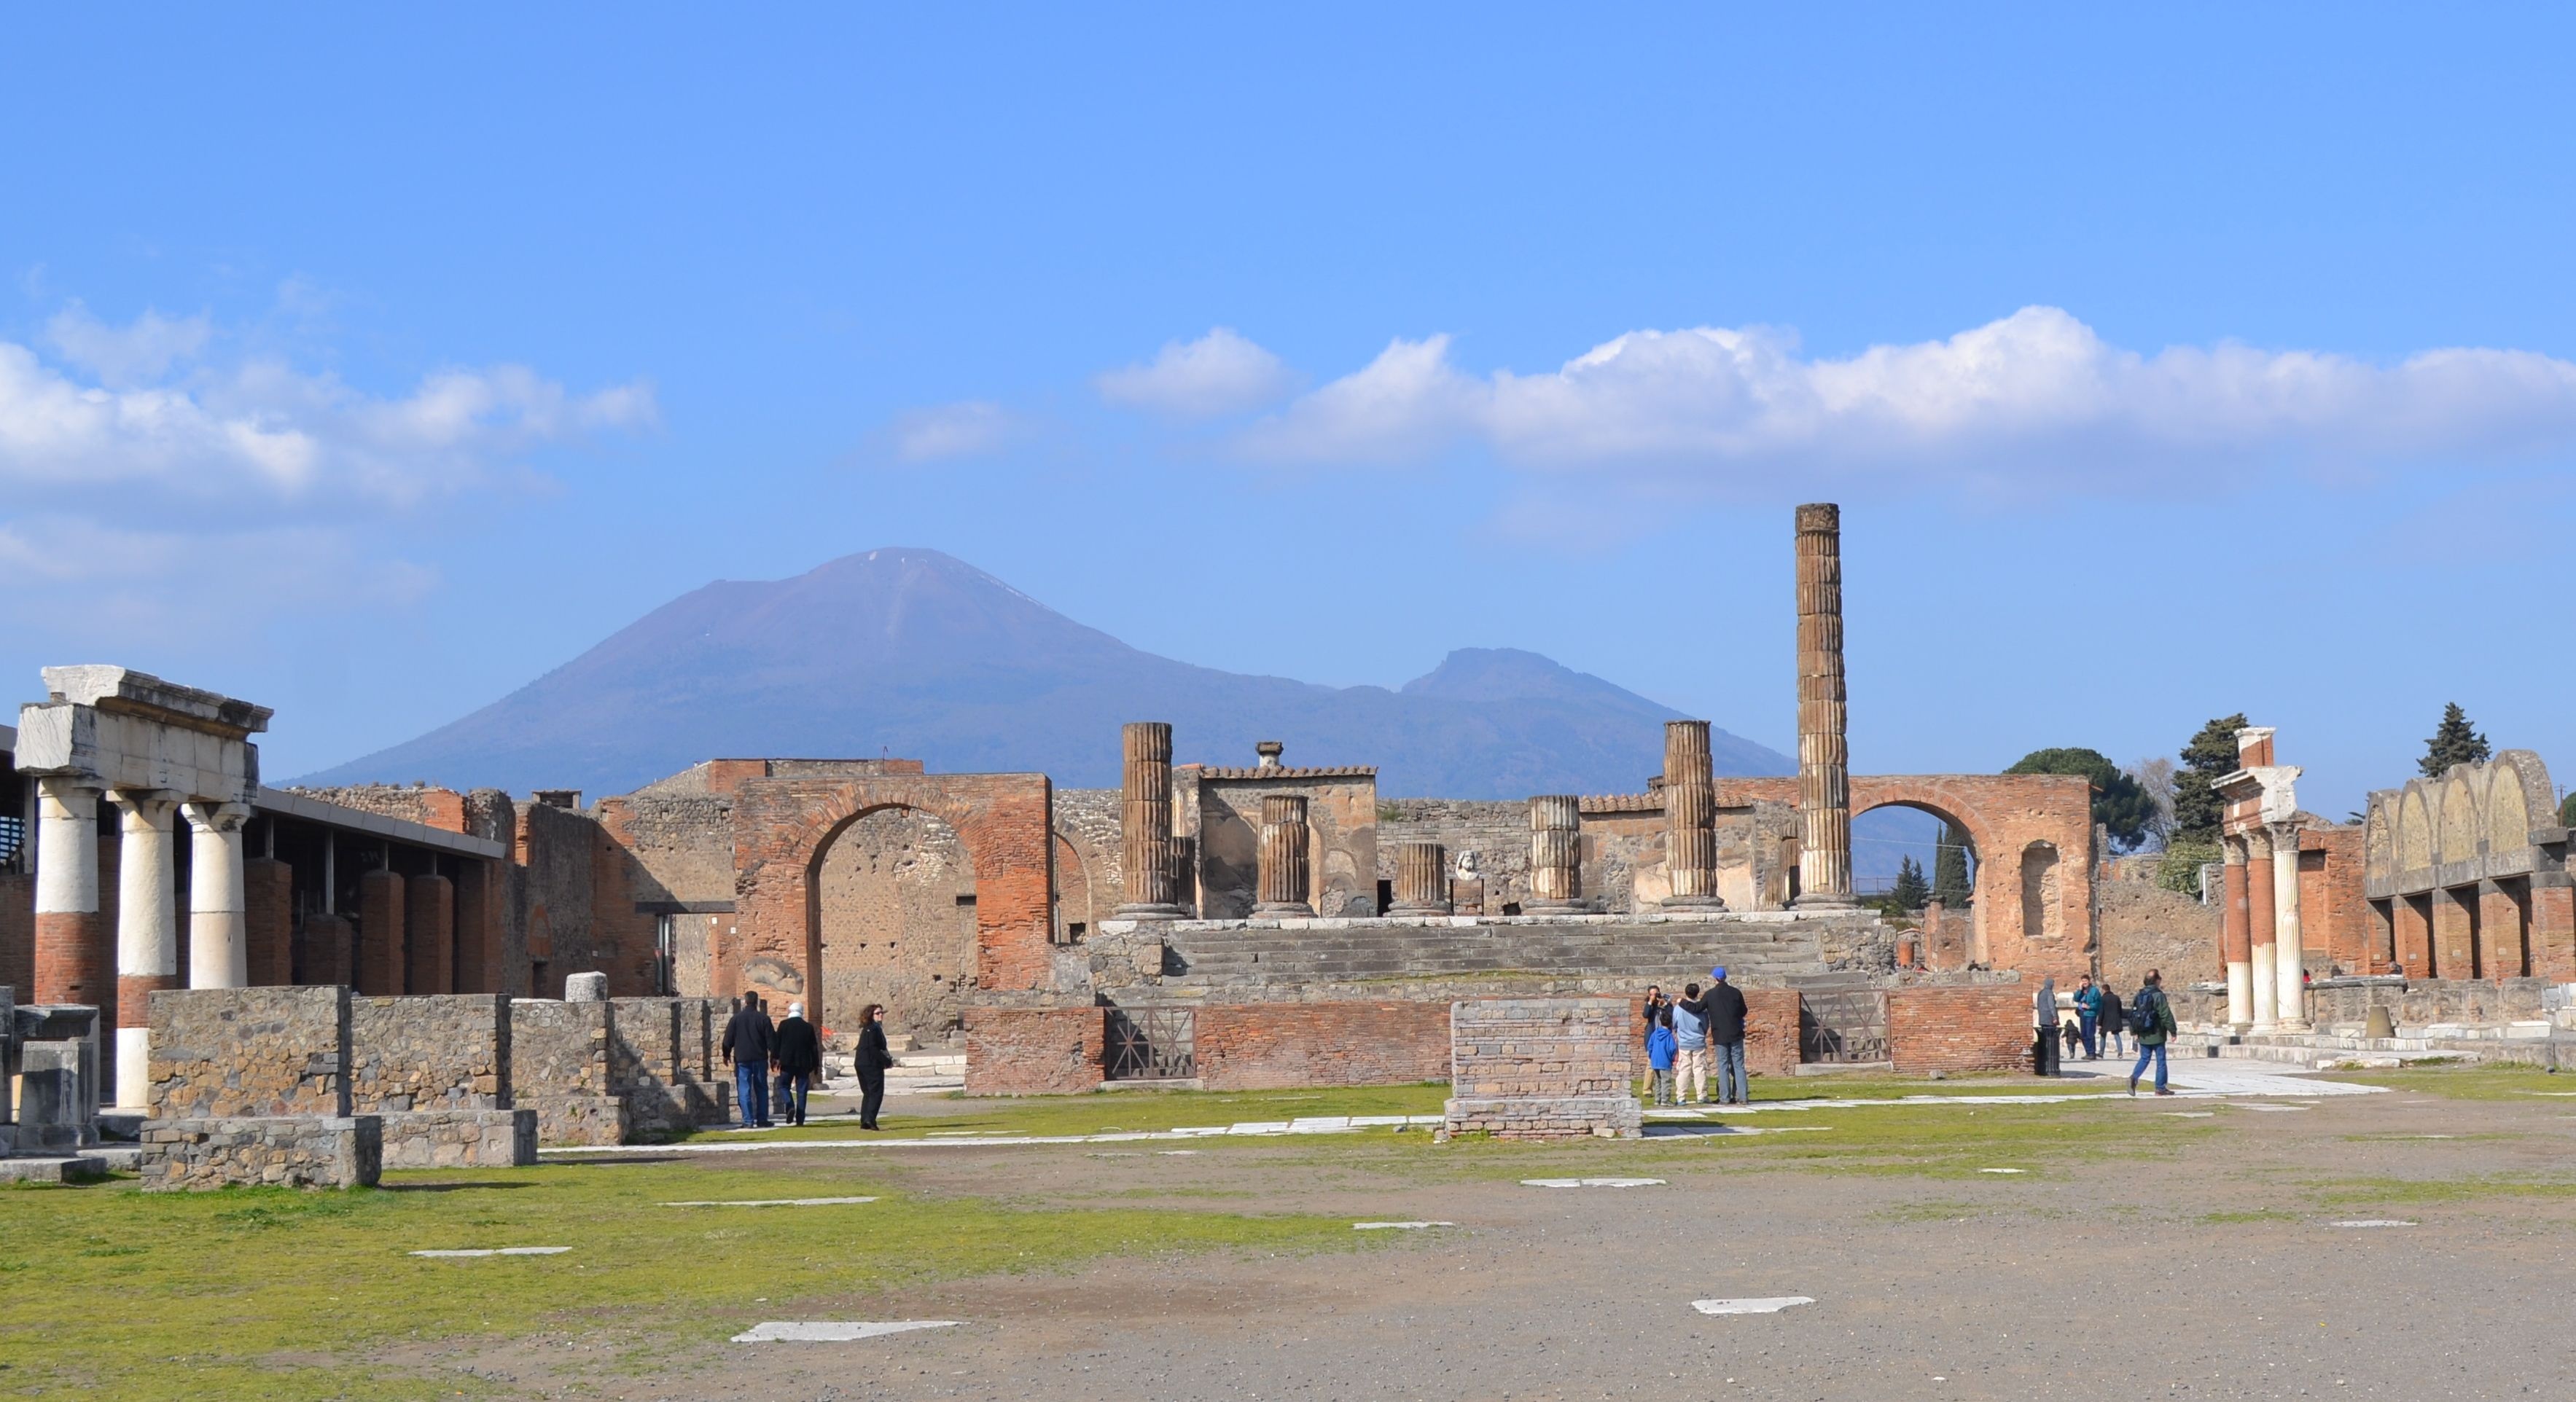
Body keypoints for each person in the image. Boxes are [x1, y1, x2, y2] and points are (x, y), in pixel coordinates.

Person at [719, 992, 777, 1129]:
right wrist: (774, 1057)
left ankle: (748, 1120)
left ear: (745, 1002)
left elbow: (727, 1040)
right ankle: (762, 1119)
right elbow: (772, 1042)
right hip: (759, 1058)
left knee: (744, 1089)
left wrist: (726, 1054)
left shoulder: (736, 1019)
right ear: (756, 1002)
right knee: (762, 1088)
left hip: (742, 1059)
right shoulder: (764, 1019)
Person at [1701, 966, 1752, 1106]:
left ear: (1715, 979)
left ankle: (1725, 1097)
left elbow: (1699, 1007)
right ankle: (1743, 1097)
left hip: (1720, 1034)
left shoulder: (1710, 994)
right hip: (1736, 1033)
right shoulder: (1736, 993)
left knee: (1723, 1066)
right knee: (1739, 1066)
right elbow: (1743, 1010)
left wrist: (1685, 1003)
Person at [771, 1000, 824, 1127]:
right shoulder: (808, 1027)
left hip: (787, 1063)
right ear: (802, 1012)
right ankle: (800, 1119)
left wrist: (774, 1059)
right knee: (802, 1091)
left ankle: (789, 1105)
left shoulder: (784, 1025)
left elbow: (776, 1044)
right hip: (804, 1064)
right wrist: (816, 1065)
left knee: (783, 1086)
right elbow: (813, 1048)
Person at [2128, 969, 2177, 1096]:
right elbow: (2165, 1014)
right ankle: (2160, 1088)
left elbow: (2133, 1014)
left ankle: (2134, 1077)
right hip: (2157, 1032)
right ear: (2157, 980)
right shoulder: (2158, 995)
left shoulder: (2139, 995)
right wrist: (2173, 1031)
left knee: (2144, 1058)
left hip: (2143, 1032)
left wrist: (2134, 1031)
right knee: (2161, 1060)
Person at [854, 1003, 894, 1130]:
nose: (881, 1015)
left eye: (882, 1013)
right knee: (876, 1092)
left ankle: (865, 1120)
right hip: (870, 1064)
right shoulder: (873, 1029)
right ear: (871, 1016)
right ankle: (870, 1119)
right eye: (877, 1013)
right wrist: (886, 1061)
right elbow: (873, 1048)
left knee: (868, 1093)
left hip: (862, 1063)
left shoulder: (869, 1028)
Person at [1670, 983, 1711, 1104]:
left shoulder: (1678, 1008)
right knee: (1700, 1069)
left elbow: (1675, 1023)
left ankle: (1681, 1096)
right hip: (1698, 1041)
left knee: (1684, 1069)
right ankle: (1702, 1095)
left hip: (1684, 1042)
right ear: (1697, 993)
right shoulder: (1702, 1009)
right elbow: (1705, 1025)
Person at [2032, 974, 2060, 1076]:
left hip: (2042, 1018)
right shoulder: (2049, 993)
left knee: (2045, 1037)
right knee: (2051, 1038)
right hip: (2049, 1018)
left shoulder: (2040, 993)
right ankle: (2050, 1058)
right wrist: (2055, 1017)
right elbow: (2052, 1006)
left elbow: (2038, 1005)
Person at [2072, 975, 2101, 1060]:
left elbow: (2098, 1003)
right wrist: (2080, 990)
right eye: (2082, 981)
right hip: (2082, 1014)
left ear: (2089, 981)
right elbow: (2076, 999)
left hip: (2090, 1014)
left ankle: (2092, 1052)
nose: (2084, 983)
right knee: (2083, 1034)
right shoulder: (2081, 991)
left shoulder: (2094, 991)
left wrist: (2090, 1006)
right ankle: (2088, 1052)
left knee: (2090, 1033)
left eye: (2085, 981)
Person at [2097, 984, 2127, 1060]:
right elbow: (2120, 1009)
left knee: (2103, 1036)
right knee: (2117, 1035)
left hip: (2105, 1020)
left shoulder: (2102, 999)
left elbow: (2101, 1012)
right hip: (2115, 1019)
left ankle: (2101, 1053)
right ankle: (2120, 1052)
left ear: (2103, 990)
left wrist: (2099, 1023)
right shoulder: (2116, 998)